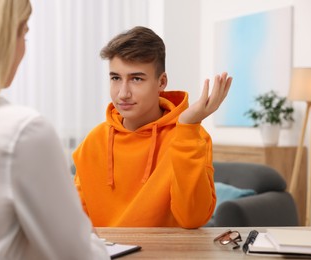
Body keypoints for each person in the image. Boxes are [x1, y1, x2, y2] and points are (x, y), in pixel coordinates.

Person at [0, 0, 109, 259]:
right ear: (1, 39)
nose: (23, 48)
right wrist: (87, 238)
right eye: (23, 33)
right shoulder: (21, 133)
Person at [73, 26, 232, 228]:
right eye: (115, 78)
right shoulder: (94, 141)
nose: (122, 93)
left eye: (136, 79)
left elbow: (192, 219)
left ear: (161, 82)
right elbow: (76, 220)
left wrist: (187, 127)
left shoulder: (192, 135)